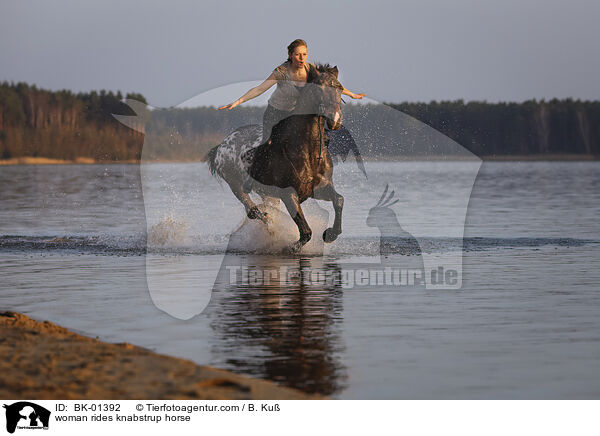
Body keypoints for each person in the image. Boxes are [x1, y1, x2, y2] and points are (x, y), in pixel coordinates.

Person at [219, 39, 365, 142]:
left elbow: (330, 85)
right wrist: (237, 102)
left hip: (298, 113)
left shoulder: (310, 68)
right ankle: (253, 177)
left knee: (320, 135)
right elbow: (259, 89)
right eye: (297, 54)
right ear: (290, 55)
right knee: (267, 144)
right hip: (276, 113)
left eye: (304, 54)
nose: (302, 58)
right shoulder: (281, 72)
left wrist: (352, 94)